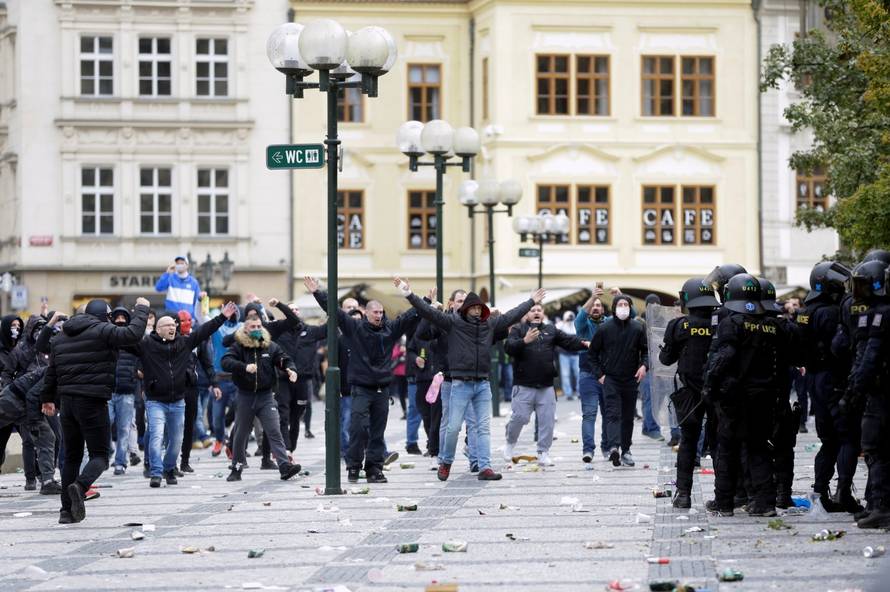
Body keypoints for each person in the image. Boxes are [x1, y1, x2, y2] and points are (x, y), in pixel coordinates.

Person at [398, 276, 544, 482]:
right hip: (459, 383)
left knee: (483, 427)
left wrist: (531, 301)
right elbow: (428, 312)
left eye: (479, 308)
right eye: (472, 308)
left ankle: (485, 467)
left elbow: (512, 315)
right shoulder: (453, 323)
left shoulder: (489, 325)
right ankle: (446, 461)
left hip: (483, 384)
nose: (476, 311)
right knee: (453, 427)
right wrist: (409, 294)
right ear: (465, 309)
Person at [40, 297, 150, 524]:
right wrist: (141, 309)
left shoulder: (61, 336)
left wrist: (47, 398)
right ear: (104, 316)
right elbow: (132, 334)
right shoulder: (102, 330)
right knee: (100, 455)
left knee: (71, 456)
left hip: (67, 404)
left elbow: (51, 371)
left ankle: (66, 512)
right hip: (92, 401)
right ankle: (79, 488)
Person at [307, 276, 420, 484]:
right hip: (360, 388)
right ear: (366, 313)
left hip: (382, 390)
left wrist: (421, 300)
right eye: (375, 312)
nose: (378, 315)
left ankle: (374, 468)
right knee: (357, 428)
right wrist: (317, 293)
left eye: (380, 312)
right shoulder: (355, 328)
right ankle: (353, 466)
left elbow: (410, 317)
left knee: (377, 432)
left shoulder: (389, 330)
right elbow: (336, 312)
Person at [703, 274, 790, 517]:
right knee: (759, 448)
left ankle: (724, 503)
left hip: (735, 398)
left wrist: (709, 385)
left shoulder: (732, 323)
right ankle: (765, 503)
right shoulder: (773, 325)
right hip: (765, 396)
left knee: (727, 449)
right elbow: (783, 363)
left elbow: (723, 357)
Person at [131, 303, 235, 487]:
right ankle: (156, 473)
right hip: (155, 401)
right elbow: (129, 337)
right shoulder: (147, 345)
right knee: (156, 436)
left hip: (178, 401)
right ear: (158, 329)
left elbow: (203, 331)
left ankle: (169, 468)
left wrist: (222, 317)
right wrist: (140, 312)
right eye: (168, 325)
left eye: (174, 325)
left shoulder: (183, 343)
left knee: (176, 440)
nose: (173, 327)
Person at [796, 261, 852, 511]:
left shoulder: (806, 311)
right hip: (833, 377)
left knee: (828, 439)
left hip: (815, 378)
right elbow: (840, 347)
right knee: (846, 437)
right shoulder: (830, 312)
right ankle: (843, 494)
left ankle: (820, 491)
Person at [659, 278, 719, 508]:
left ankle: (683, 494)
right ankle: (725, 496)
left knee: (688, 442)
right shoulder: (721, 323)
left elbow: (666, 359)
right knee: (719, 442)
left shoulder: (678, 325)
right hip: (717, 391)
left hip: (690, 394)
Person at [221, 312, 303, 482]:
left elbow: (283, 358)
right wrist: (244, 367)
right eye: (253, 327)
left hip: (266, 396)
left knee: (274, 430)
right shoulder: (238, 346)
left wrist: (290, 369)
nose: (257, 329)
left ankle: (284, 466)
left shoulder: (270, 345)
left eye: (259, 326)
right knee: (241, 433)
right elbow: (226, 361)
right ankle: (236, 468)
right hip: (245, 396)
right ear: (245, 329)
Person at [504, 303, 588, 466]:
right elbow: (509, 348)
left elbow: (569, 341)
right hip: (523, 385)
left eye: (539, 310)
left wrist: (584, 343)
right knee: (520, 417)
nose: (536, 312)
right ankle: (510, 443)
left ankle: (543, 452)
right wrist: (525, 340)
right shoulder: (518, 330)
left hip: (546, 386)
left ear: (543, 313)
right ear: (527, 315)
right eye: (532, 310)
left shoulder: (551, 330)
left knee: (547, 422)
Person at [849, 255, 890, 528]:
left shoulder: (879, 314)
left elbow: (869, 357)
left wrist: (853, 391)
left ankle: (882, 507)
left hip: (880, 391)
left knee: (875, 447)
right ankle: (877, 504)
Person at [589, 294, 649, 468]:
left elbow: (646, 351)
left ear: (630, 308)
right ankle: (614, 447)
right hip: (611, 379)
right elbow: (592, 354)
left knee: (628, 416)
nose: (623, 307)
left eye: (626, 304)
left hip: (631, 379)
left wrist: (644, 366)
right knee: (613, 414)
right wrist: (599, 374)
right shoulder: (604, 328)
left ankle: (626, 450)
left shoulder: (638, 328)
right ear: (614, 308)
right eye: (620, 304)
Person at [272, 302, 326, 452]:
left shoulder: (310, 331)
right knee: (283, 414)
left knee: (296, 415)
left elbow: (329, 328)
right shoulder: (278, 332)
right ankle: (285, 449)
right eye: (291, 309)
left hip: (303, 380)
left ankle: (291, 446)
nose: (294, 311)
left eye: (296, 309)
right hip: (284, 379)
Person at [575, 289, 610, 462]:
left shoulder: (609, 324)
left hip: (607, 375)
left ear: (603, 310)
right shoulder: (583, 325)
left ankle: (606, 447)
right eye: (593, 306)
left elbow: (629, 316)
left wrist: (618, 295)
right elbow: (581, 315)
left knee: (608, 414)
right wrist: (594, 297)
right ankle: (588, 450)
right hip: (588, 375)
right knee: (589, 414)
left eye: (599, 305)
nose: (596, 307)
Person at [109, 307, 141, 475]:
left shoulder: (133, 341)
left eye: (123, 317)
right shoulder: (107, 338)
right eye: (117, 317)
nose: (120, 320)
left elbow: (143, 358)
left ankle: (120, 462)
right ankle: (108, 451)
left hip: (127, 390)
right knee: (105, 423)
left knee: (124, 429)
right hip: (107, 391)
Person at [556, 311, 581, 401]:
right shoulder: (561, 325)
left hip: (575, 354)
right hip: (564, 354)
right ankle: (568, 393)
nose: (570, 319)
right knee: (565, 375)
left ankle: (579, 392)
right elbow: (556, 328)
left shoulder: (575, 325)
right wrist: (565, 321)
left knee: (578, 373)